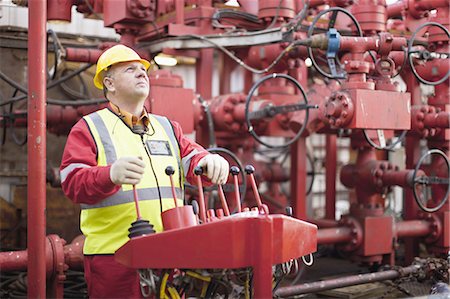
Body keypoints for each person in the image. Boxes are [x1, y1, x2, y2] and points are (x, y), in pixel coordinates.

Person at [60, 44, 229, 298]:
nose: (142, 74)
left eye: (143, 69)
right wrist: (110, 175)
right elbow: (72, 182)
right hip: (115, 258)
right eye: (131, 69)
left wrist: (209, 161)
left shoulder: (167, 127)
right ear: (110, 84)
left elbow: (193, 159)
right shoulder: (89, 128)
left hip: (169, 254)